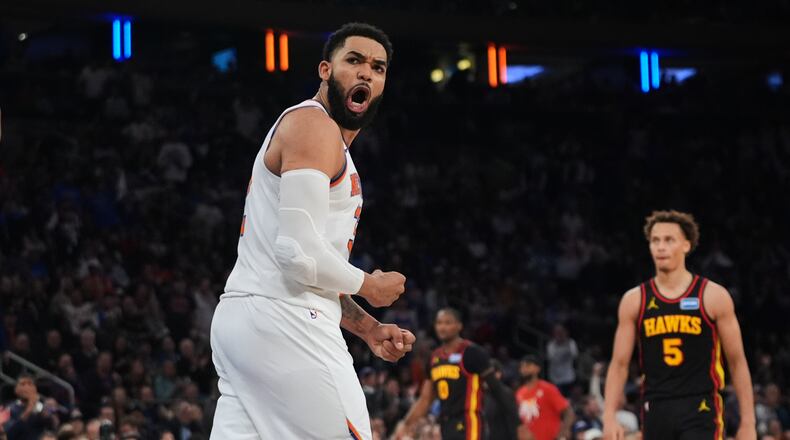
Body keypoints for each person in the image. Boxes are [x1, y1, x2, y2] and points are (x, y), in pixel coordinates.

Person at [209, 22, 415, 440]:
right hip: (286, 320)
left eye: (377, 67)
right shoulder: (313, 125)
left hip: (250, 318)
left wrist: (368, 327)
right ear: (325, 69)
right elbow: (297, 254)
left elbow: (310, 265)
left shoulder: (327, 141)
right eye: (353, 61)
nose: (365, 73)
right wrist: (368, 285)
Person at [602, 210, 756, 440]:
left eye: (668, 240)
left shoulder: (713, 296)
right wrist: (608, 417)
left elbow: (737, 362)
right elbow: (619, 364)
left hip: (701, 407)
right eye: (655, 241)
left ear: (686, 245)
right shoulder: (634, 300)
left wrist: (748, 423)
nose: (660, 247)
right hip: (655, 408)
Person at [393, 308, 495, 440]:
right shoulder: (434, 358)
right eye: (439, 323)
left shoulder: (472, 352)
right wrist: (406, 423)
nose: (443, 327)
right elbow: (425, 399)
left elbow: (496, 389)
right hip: (446, 424)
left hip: (469, 421)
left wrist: (516, 423)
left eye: (448, 323)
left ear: (459, 325)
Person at [515, 355, 575, 440]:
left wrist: (564, 431)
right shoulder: (519, 393)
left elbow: (568, 412)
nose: (524, 368)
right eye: (522, 366)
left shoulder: (547, 389)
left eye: (528, 365)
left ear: (537, 369)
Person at [2, 373, 57, 440]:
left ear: (35, 389)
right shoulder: (9, 408)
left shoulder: (42, 406)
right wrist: (29, 409)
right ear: (16, 390)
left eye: (30, 384)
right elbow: (9, 434)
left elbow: (54, 425)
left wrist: (49, 410)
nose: (27, 387)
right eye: (23, 384)